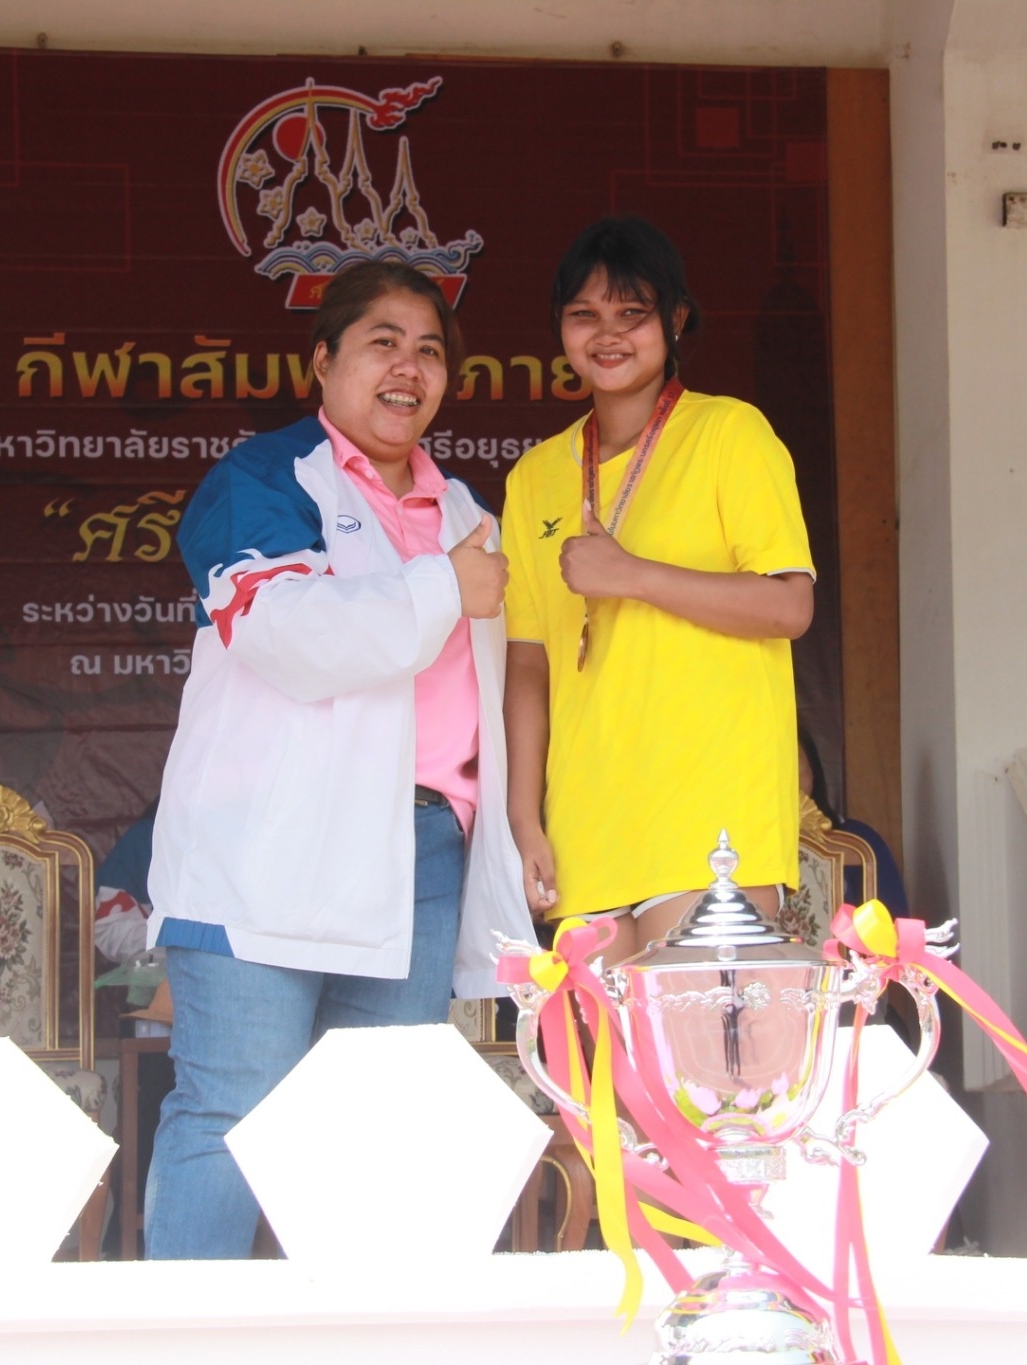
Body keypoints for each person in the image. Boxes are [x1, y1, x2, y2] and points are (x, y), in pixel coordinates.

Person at [143, 260, 529, 1260]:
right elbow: (288, 634)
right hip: (265, 851)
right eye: (382, 343)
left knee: (380, 1127)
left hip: (421, 857)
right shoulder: (264, 479)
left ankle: (363, 1328)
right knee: (232, 1112)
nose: (409, 368)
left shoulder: (466, 514)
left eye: (430, 351)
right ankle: (186, 1333)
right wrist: (444, 588)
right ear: (321, 362)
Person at [502, 217, 815, 959]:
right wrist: (523, 818)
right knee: (594, 1040)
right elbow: (527, 662)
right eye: (585, 314)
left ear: (675, 320)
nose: (608, 334)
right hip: (586, 821)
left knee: (695, 1036)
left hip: (712, 816)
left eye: (632, 313)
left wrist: (633, 575)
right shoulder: (534, 476)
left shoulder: (730, 433)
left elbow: (788, 605)